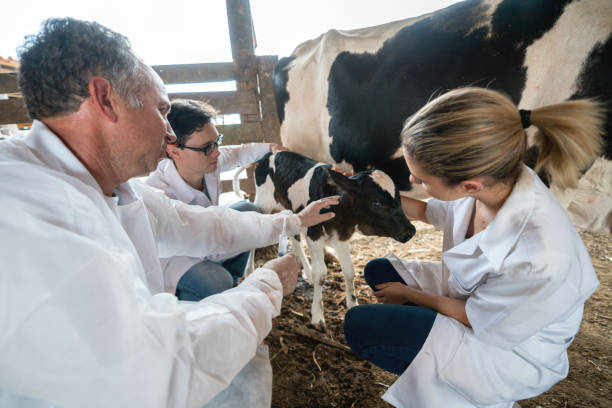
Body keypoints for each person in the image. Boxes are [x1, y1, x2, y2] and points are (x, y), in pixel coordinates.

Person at [0, 17, 339, 407]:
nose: (169, 131)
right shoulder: (29, 211)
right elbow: (151, 370)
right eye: (161, 110)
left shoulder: (112, 185)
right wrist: (264, 289)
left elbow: (204, 224)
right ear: (106, 99)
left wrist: (294, 221)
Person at [343, 87, 603, 408]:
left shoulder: (542, 253)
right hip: (476, 296)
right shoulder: (491, 179)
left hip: (511, 346)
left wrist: (410, 295)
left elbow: (476, 318)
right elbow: (426, 211)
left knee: (361, 326)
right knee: (379, 271)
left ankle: (461, 389)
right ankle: (426, 343)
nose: (413, 179)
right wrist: (362, 193)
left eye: (422, 180)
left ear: (468, 186)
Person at [146, 99, 284, 300]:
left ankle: (231, 281)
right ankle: (198, 302)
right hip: (177, 260)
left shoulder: (209, 163)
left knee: (248, 210)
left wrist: (273, 148)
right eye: (207, 147)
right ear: (174, 151)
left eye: (217, 141)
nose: (217, 152)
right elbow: (198, 243)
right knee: (216, 281)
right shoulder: (158, 192)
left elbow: (240, 153)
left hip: (209, 243)